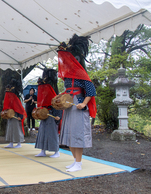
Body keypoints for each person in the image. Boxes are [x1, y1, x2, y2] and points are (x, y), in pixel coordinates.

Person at [58, 35, 97, 172]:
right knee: (69, 133)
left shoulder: (81, 72)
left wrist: (84, 104)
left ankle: (79, 163)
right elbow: (67, 91)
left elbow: (91, 90)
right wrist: (60, 97)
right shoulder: (67, 75)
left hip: (79, 104)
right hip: (69, 105)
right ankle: (75, 161)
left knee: (77, 134)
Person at [35, 77, 62, 158]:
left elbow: (57, 105)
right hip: (44, 115)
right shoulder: (42, 96)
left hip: (52, 115)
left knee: (52, 133)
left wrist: (58, 115)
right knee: (42, 132)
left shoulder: (53, 95)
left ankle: (56, 151)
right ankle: (42, 151)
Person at [3, 82, 27, 148]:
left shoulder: (15, 98)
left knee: (17, 129)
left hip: (16, 115)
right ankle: (11, 142)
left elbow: (20, 108)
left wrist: (20, 116)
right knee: (10, 129)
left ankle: (19, 143)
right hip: (10, 115)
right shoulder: (9, 99)